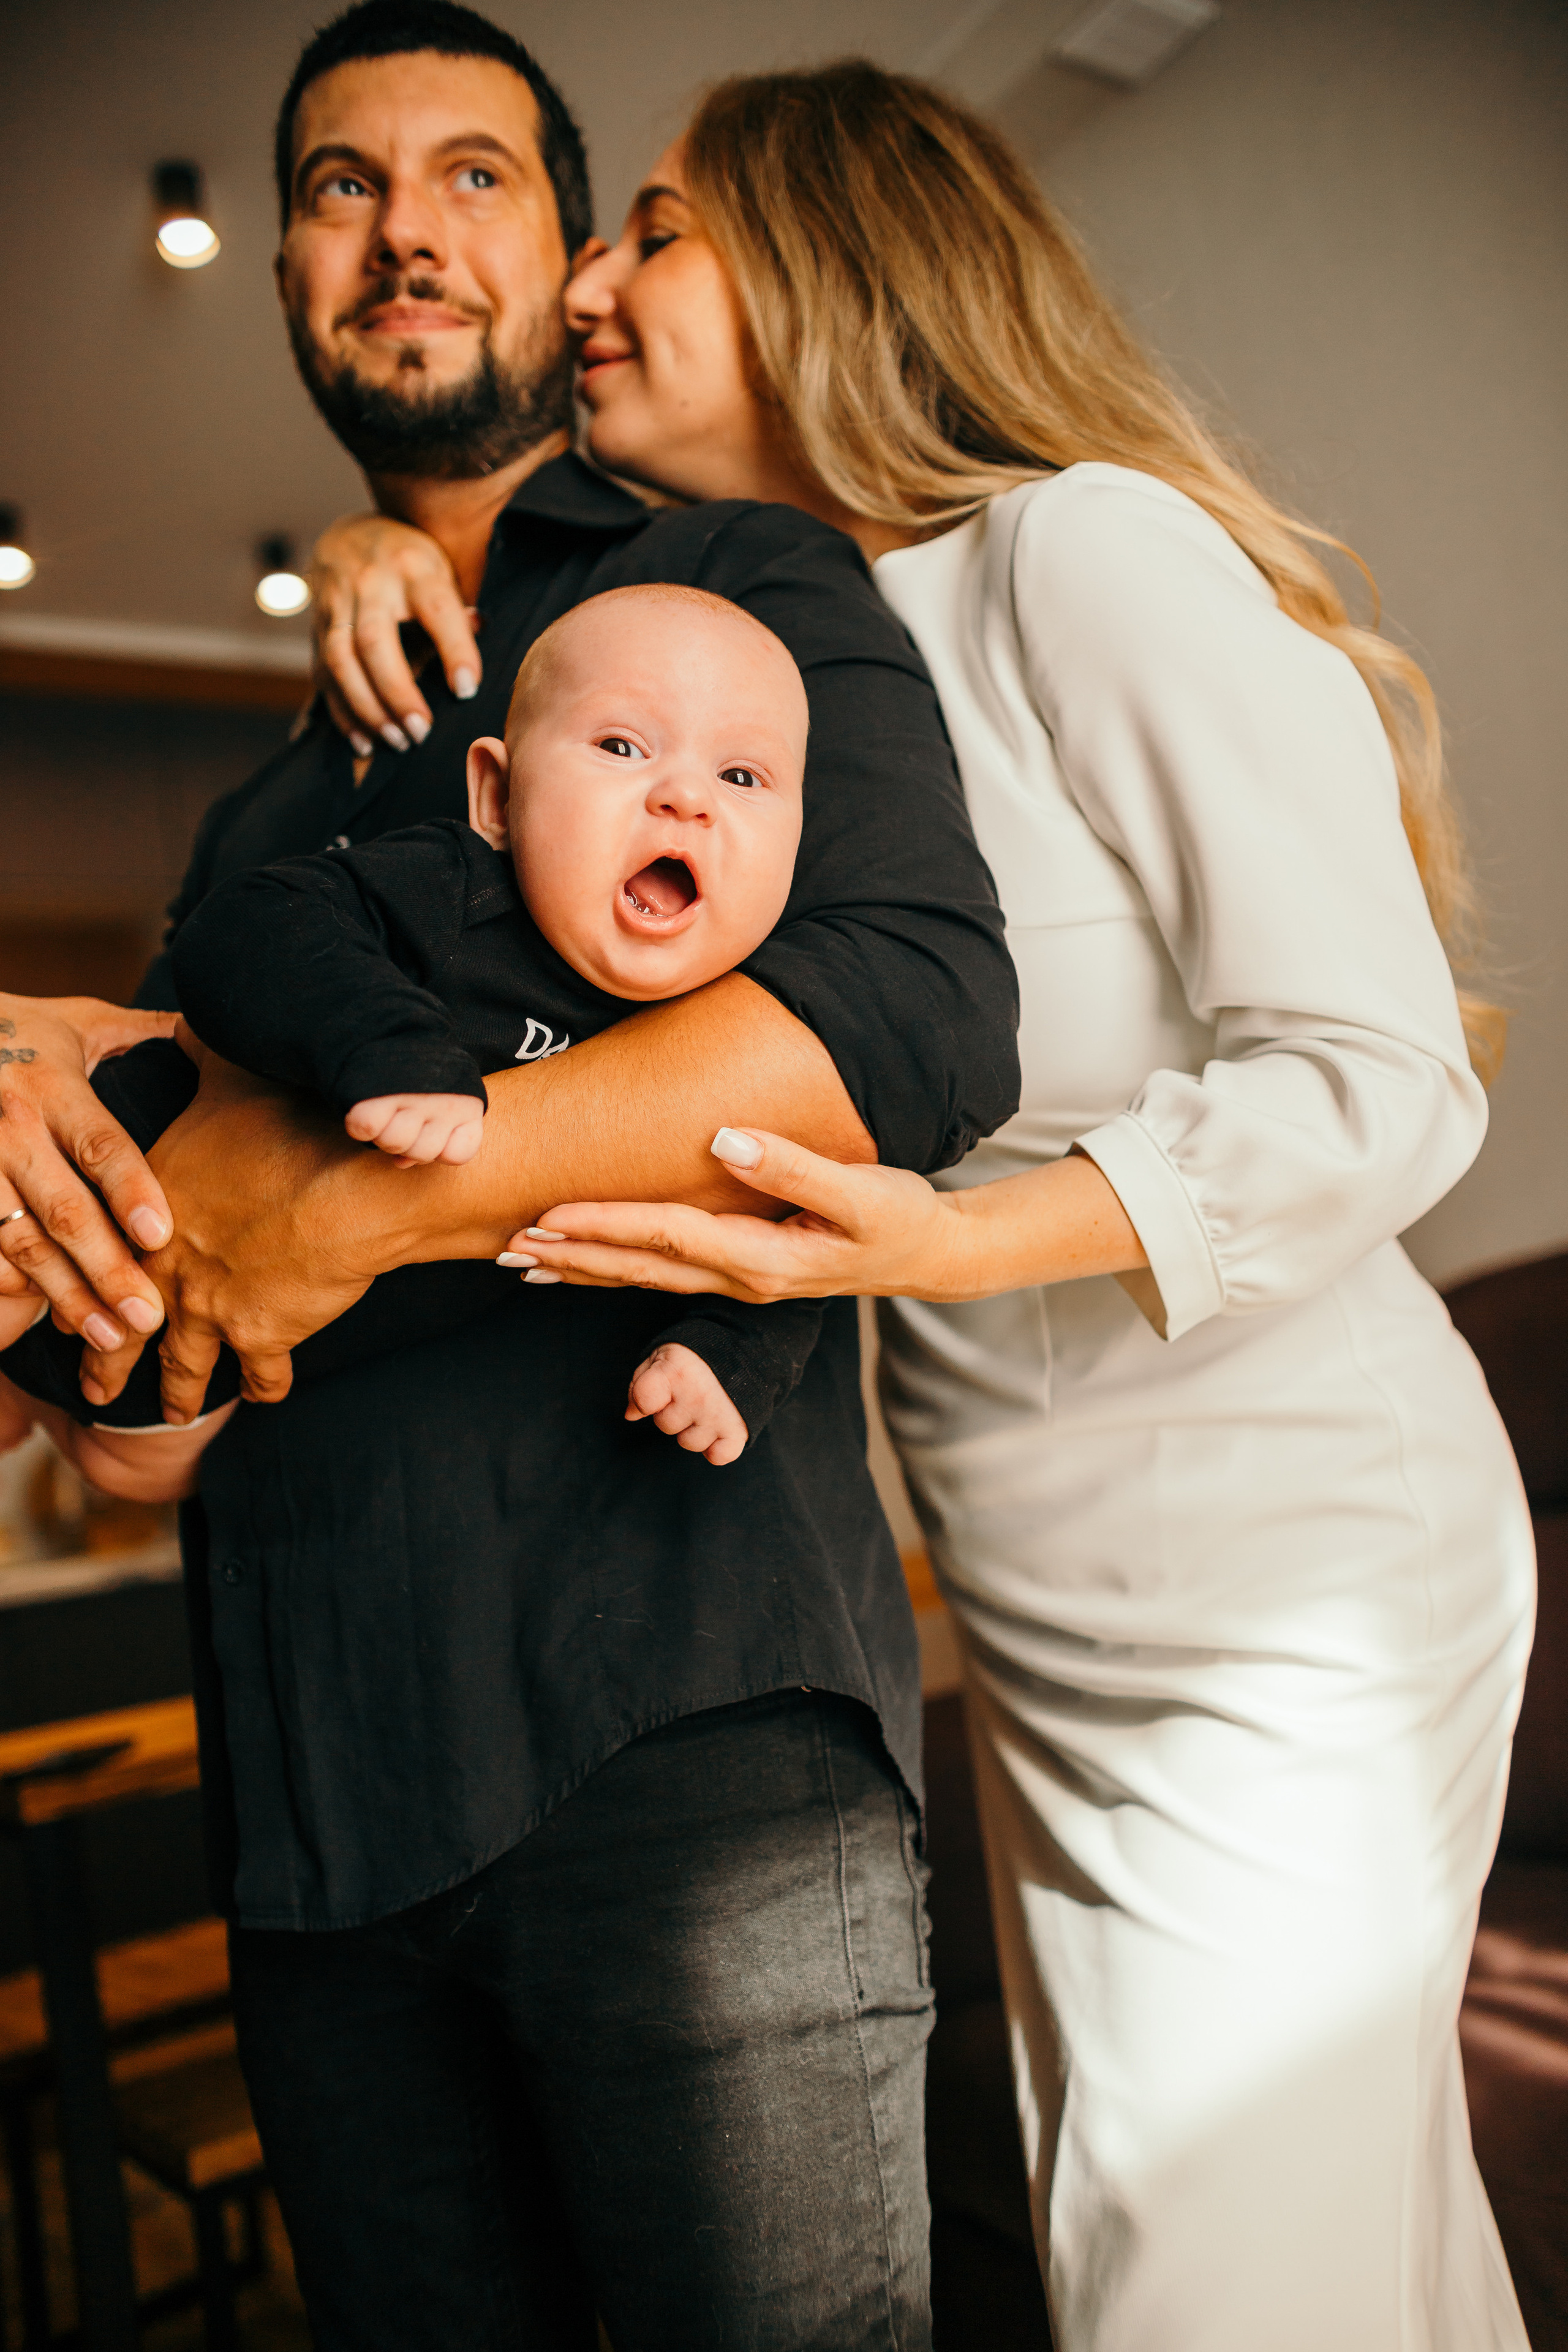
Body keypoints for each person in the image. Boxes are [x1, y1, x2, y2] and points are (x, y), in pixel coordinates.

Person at [318, 61, 1535, 2351]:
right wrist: (398, 555)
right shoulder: (755, 680)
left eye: (654, 229)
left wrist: (953, 1243)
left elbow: (1379, 1076)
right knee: (1302, 2260)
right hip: (1038, 1594)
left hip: (1285, 1560)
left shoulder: (1079, 549)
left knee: (1208, 2287)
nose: (587, 276)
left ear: (832, 260)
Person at [0, 12, 1022, 2348]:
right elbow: (149, 1351)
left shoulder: (736, 592)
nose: (401, 225)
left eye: (470, 173)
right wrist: (70, 1173)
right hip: (314, 1842)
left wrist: (335, 1205)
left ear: (562, 259)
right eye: (341, 185)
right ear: (286, 271)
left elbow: (922, 1014)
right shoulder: (262, 827)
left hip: (688, 1759)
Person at [0, 581, 830, 1477]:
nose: (685, 798)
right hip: (113, 1189)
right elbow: (250, 927)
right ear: (499, 797)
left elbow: (781, 1238)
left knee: (128, 1453)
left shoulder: (743, 1033)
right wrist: (391, 1045)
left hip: (199, 1372)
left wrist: (724, 1361)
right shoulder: (457, 888)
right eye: (623, 746)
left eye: (741, 776)